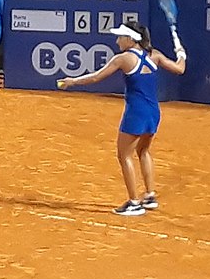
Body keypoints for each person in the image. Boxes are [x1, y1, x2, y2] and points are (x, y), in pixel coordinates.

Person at [57, 21, 187, 216]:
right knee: (143, 150)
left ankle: (134, 202)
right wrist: (182, 54)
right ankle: (150, 195)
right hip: (153, 112)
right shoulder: (155, 55)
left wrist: (72, 81)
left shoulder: (123, 59)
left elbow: (95, 78)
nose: (117, 41)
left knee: (124, 155)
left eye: (120, 37)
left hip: (136, 114)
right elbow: (179, 69)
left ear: (130, 39)